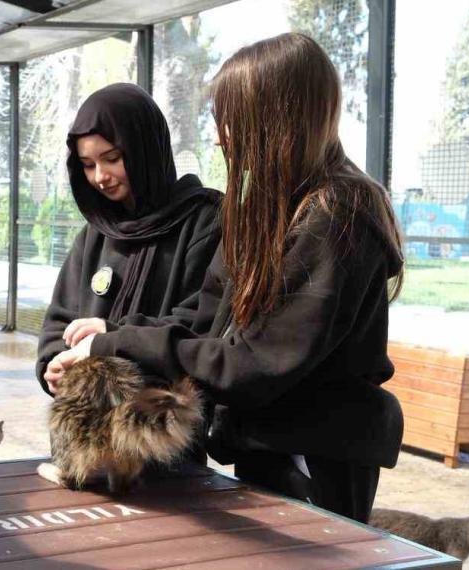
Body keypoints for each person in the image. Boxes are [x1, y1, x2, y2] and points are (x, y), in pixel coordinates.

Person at [45, 33, 405, 524]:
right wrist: (111, 337)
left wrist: (117, 346)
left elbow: (253, 364)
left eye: (232, 122)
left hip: (315, 454)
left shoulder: (336, 213)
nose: (221, 138)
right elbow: (206, 321)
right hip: (264, 442)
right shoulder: (272, 206)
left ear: (278, 119)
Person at [37, 83, 222, 396]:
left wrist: (115, 338)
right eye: (87, 165)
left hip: (160, 422)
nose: (99, 176)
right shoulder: (96, 233)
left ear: (145, 149)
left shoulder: (205, 221)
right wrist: (53, 363)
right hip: (88, 425)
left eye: (112, 158)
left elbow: (200, 322)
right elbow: (60, 319)